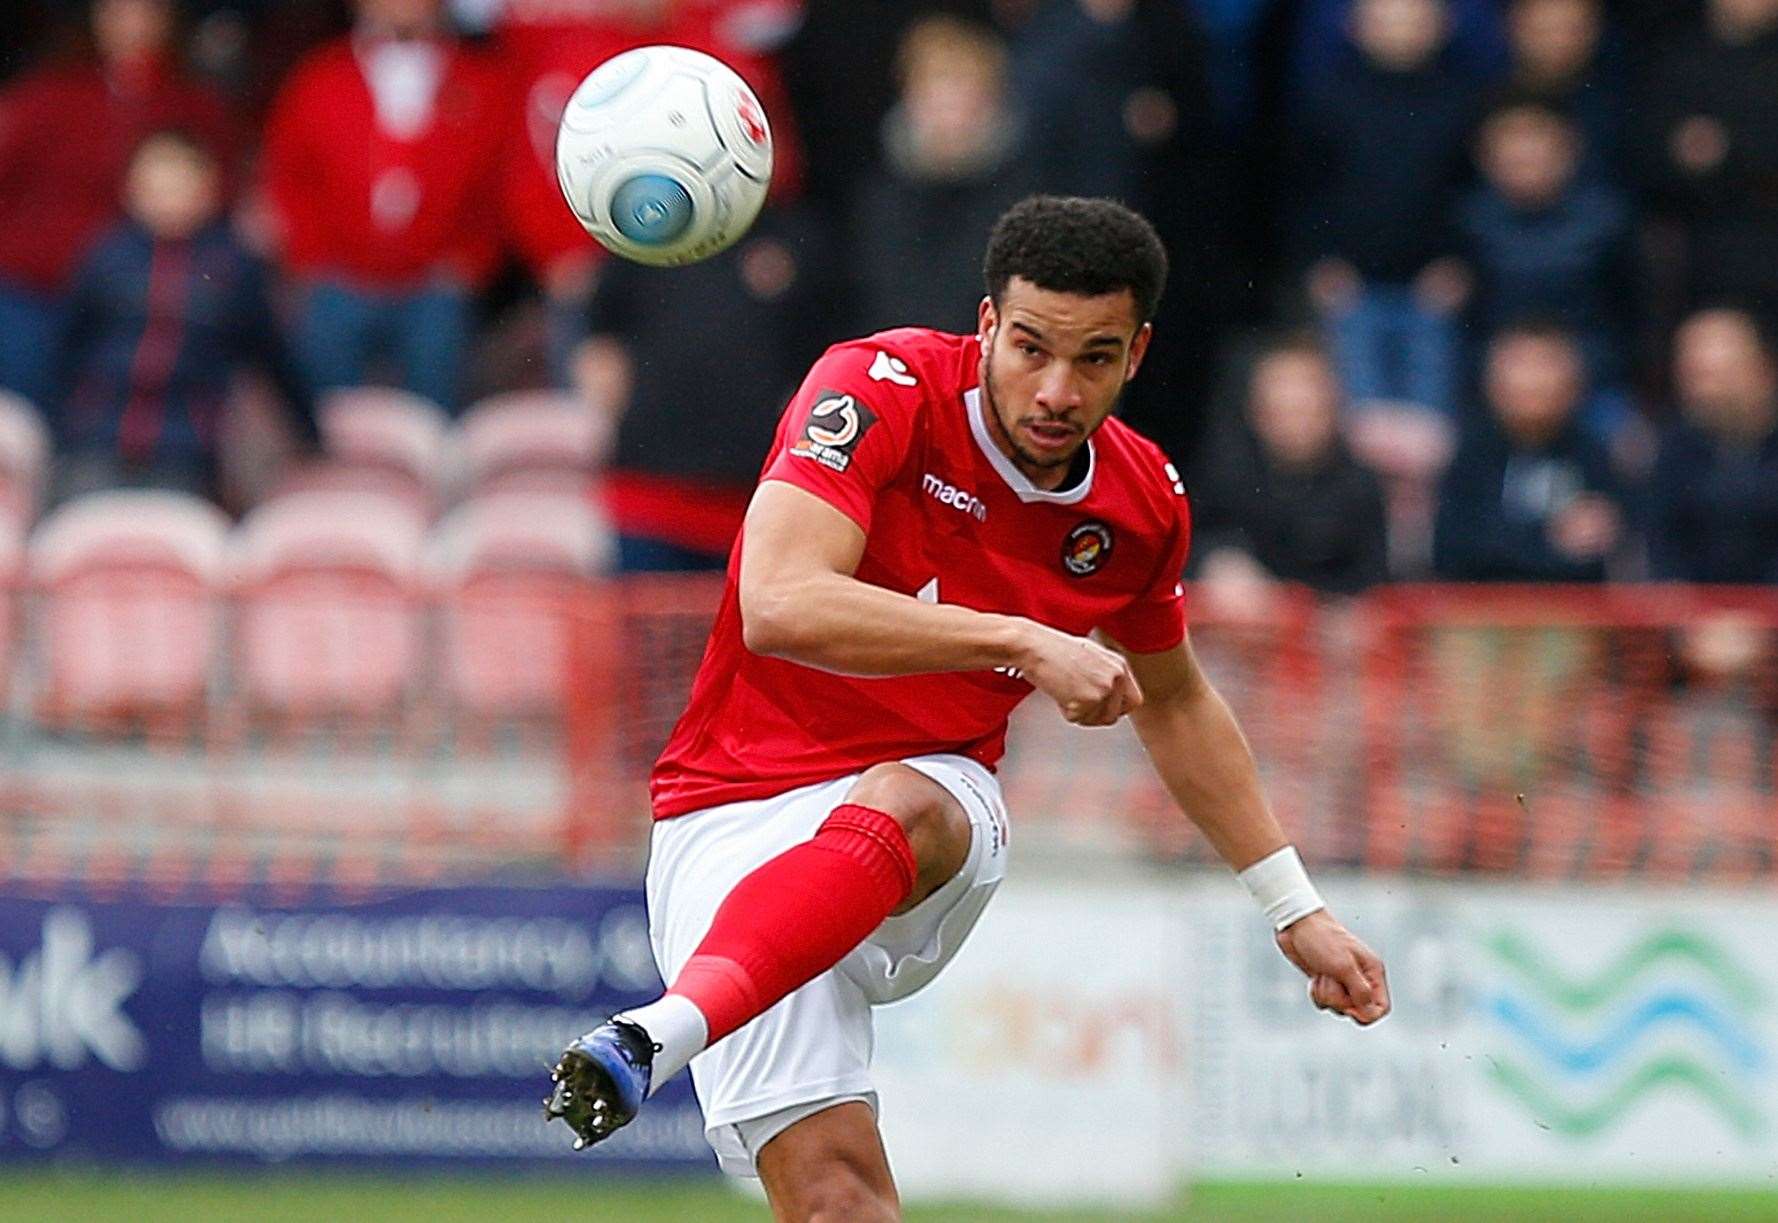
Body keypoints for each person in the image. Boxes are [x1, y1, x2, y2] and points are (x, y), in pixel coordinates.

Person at [542, 196, 1391, 1219]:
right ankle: (667, 1029)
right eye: (1029, 347)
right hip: (731, 812)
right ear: (986, 323)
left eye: (1092, 359)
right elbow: (777, 602)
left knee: (905, 795)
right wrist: (1020, 636)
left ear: (1138, 353)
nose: (1053, 388)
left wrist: (1291, 905)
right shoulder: (877, 386)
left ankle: (653, 1035)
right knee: (838, 1200)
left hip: (934, 810)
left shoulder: (1140, 502)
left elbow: (1177, 702)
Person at [259, 0, 507, 414]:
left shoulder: (479, 81)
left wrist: (472, 261)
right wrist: (310, 259)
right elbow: (287, 174)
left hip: (435, 287)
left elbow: (499, 181)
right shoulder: (320, 76)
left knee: (433, 423)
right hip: (338, 283)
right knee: (328, 424)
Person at [51, 129, 317, 506]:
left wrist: (312, 434)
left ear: (208, 189)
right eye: (154, 185)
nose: (166, 199)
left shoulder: (233, 267)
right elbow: (66, 349)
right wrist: (61, 428)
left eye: (179, 184)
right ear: (131, 190)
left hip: (185, 451)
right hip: (94, 442)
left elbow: (271, 357)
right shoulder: (106, 257)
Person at [0, 0, 233, 409]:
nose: (133, 24)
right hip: (35, 292)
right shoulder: (45, 97)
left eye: (147, 11)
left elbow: (218, 197)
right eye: (119, 10)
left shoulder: (191, 105)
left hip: (138, 302)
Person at [1288, 0, 1485, 418]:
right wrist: (1319, 261)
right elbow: (1303, 188)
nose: (1402, 29)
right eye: (1388, 17)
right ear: (1355, 26)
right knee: (1357, 423)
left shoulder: (1463, 101)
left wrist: (1460, 262)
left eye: (1415, 17)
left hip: (1433, 289)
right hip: (1351, 288)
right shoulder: (1327, 98)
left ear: (1443, 25)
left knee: (1433, 427)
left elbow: (1473, 194)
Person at [849, 15, 1035, 336]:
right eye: (934, 90)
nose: (948, 111)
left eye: (961, 91)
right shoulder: (880, 200)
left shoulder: (1022, 203)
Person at [1189, 330, 1390, 603]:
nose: (1294, 425)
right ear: (1257, 411)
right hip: (1244, 629)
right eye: (1281, 411)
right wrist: (1220, 562)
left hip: (1325, 631)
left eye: (1305, 410)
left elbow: (1372, 581)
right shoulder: (1228, 476)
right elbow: (1198, 541)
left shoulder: (1360, 485)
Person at [1456, 96, 1634, 395]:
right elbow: (1465, 328)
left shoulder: (1607, 220)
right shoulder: (1468, 221)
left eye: (1536, 139)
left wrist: (1565, 368)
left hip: (1592, 383)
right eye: (1512, 143)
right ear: (1486, 156)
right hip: (1494, 389)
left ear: (1568, 150)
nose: (1525, 151)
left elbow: (1629, 319)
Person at [1432, 321, 1622, 582]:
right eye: (1520, 364)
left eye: (1545, 363)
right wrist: (1550, 540)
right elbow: (1455, 550)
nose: (1532, 380)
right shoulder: (1471, 453)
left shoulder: (1594, 454)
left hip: (1573, 611)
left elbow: (1600, 553)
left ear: (1574, 379)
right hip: (1482, 610)